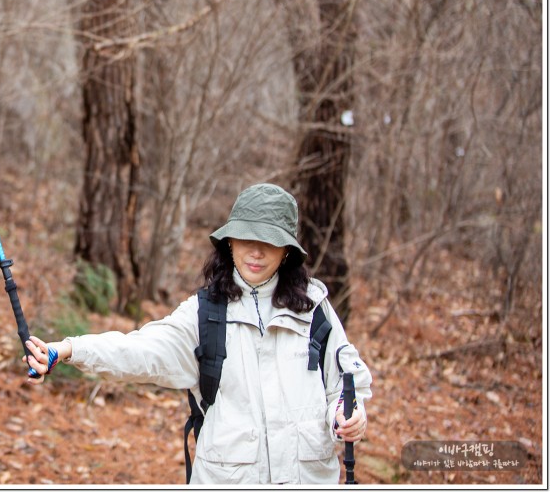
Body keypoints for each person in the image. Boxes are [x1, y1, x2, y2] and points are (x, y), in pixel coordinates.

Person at [24, 183, 372, 485]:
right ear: (230, 241)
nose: (256, 251)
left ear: (286, 252)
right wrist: (69, 349)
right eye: (247, 237)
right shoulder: (205, 312)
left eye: (268, 241)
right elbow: (141, 351)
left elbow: (345, 382)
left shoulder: (315, 307)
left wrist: (346, 414)